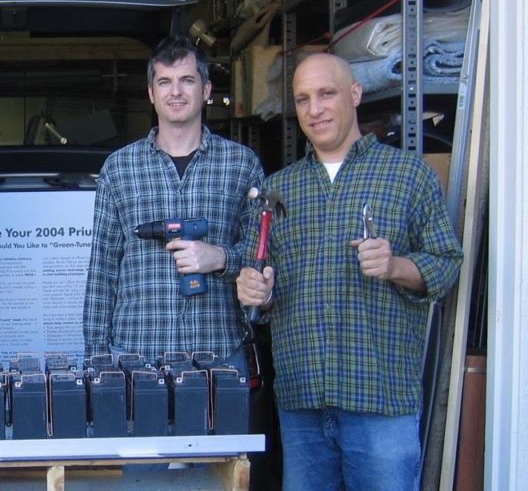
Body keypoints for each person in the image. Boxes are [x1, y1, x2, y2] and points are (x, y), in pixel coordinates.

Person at [236, 52, 462, 490]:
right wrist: (254, 288)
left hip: (380, 402)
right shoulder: (280, 188)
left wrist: (396, 265)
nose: (315, 109)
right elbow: (256, 271)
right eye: (303, 99)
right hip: (303, 402)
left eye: (326, 93)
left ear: (355, 94)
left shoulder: (407, 175)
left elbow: (447, 263)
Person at [82, 35, 264, 371]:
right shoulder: (119, 168)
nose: (175, 92)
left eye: (187, 81)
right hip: (135, 357)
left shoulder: (242, 164)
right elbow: (102, 270)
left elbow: (262, 257)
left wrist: (220, 258)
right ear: (151, 93)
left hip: (219, 353)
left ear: (206, 90)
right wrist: (97, 361)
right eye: (164, 82)